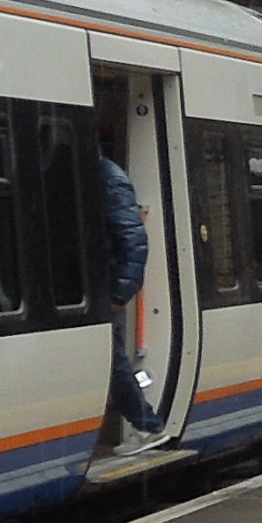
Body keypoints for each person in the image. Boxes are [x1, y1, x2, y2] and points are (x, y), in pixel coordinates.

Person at [97, 145, 160, 433]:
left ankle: (147, 425)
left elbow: (134, 242)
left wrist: (118, 295)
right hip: (97, 287)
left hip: (106, 290)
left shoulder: (109, 178)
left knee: (113, 361)